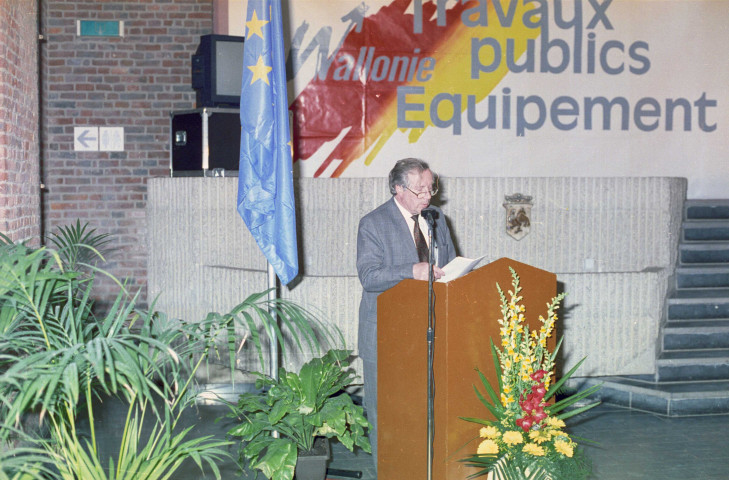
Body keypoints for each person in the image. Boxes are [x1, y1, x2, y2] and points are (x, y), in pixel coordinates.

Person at [356, 158, 457, 466]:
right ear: (397, 189)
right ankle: (386, 471)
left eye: (431, 187)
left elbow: (449, 264)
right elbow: (369, 277)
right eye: (419, 190)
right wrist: (410, 270)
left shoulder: (436, 217)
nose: (428, 196)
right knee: (385, 412)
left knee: (425, 407)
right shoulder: (373, 223)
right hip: (386, 333)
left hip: (429, 331)